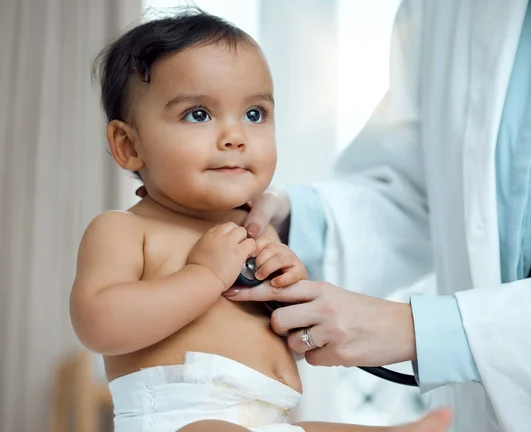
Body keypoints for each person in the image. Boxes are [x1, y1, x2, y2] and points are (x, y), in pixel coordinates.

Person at [221, 0, 531, 431]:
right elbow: (421, 193)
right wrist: (288, 222)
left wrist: (422, 330)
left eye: (255, 115)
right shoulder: (453, 10)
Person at [69, 10, 452, 432]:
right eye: (198, 114)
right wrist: (203, 274)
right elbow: (99, 324)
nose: (235, 136)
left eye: (254, 114)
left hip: (272, 419)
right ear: (129, 145)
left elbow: (281, 330)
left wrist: (289, 287)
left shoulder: (254, 232)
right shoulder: (124, 230)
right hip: (181, 419)